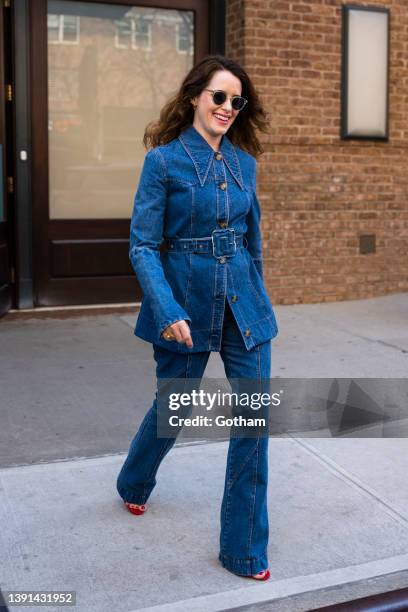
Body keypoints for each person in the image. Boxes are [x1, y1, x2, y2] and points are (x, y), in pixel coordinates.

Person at [116, 54, 279, 580]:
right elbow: (143, 246)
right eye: (219, 96)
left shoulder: (245, 163)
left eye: (237, 100)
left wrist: (260, 300)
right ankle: (135, 482)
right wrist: (166, 309)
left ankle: (244, 550)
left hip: (244, 307)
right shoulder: (163, 162)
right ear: (194, 98)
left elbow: (253, 244)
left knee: (254, 425)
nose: (228, 107)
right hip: (184, 305)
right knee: (176, 410)